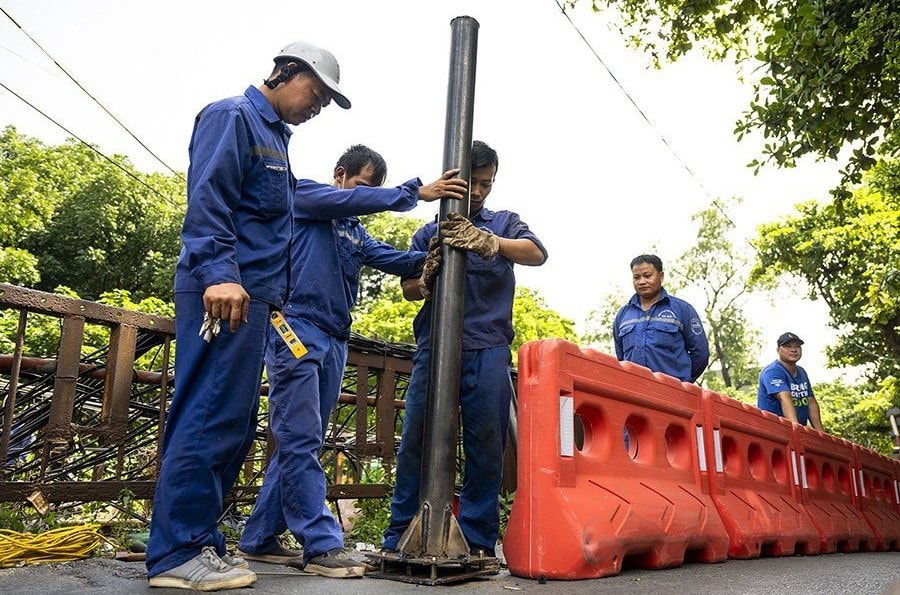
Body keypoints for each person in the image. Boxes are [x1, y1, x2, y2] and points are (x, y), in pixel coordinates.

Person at [146, 41, 350, 591]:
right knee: (208, 413)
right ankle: (175, 554)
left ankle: (200, 542)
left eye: (328, 101)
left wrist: (270, 295)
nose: (318, 106)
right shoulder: (231, 116)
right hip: (222, 292)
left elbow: (268, 232)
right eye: (316, 92)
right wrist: (218, 273)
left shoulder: (277, 140)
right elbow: (208, 199)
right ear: (285, 73)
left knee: (231, 422)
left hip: (253, 300)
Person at [236, 145, 466, 577]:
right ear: (340, 174)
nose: (364, 197)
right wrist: (414, 193)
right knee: (300, 436)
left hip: (335, 339)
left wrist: (438, 253)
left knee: (300, 440)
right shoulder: (305, 197)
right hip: (296, 330)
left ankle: (260, 538)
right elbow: (345, 201)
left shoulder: (354, 233)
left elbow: (398, 261)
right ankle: (322, 545)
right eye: (362, 186)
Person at [382, 140, 548, 556]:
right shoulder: (428, 230)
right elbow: (408, 290)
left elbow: (537, 253)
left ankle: (476, 541)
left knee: (485, 445)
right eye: (472, 183)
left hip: (487, 348)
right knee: (416, 440)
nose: (478, 192)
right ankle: (400, 535)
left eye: (486, 184)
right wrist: (427, 275)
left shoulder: (505, 222)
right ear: (455, 180)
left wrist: (489, 242)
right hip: (434, 347)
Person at [612, 254, 710, 383]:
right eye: (636, 277)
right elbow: (621, 358)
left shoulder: (682, 310)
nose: (641, 281)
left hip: (674, 394)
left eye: (647, 276)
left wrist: (682, 382)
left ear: (661, 276)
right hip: (635, 393)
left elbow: (701, 354)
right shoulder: (623, 316)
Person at [757, 332, 825, 430]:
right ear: (778, 350)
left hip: (793, 433)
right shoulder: (772, 371)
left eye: (797, 346)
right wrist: (796, 430)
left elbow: (810, 402)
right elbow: (784, 397)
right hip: (773, 432)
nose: (793, 350)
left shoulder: (801, 372)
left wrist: (822, 435)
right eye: (788, 346)